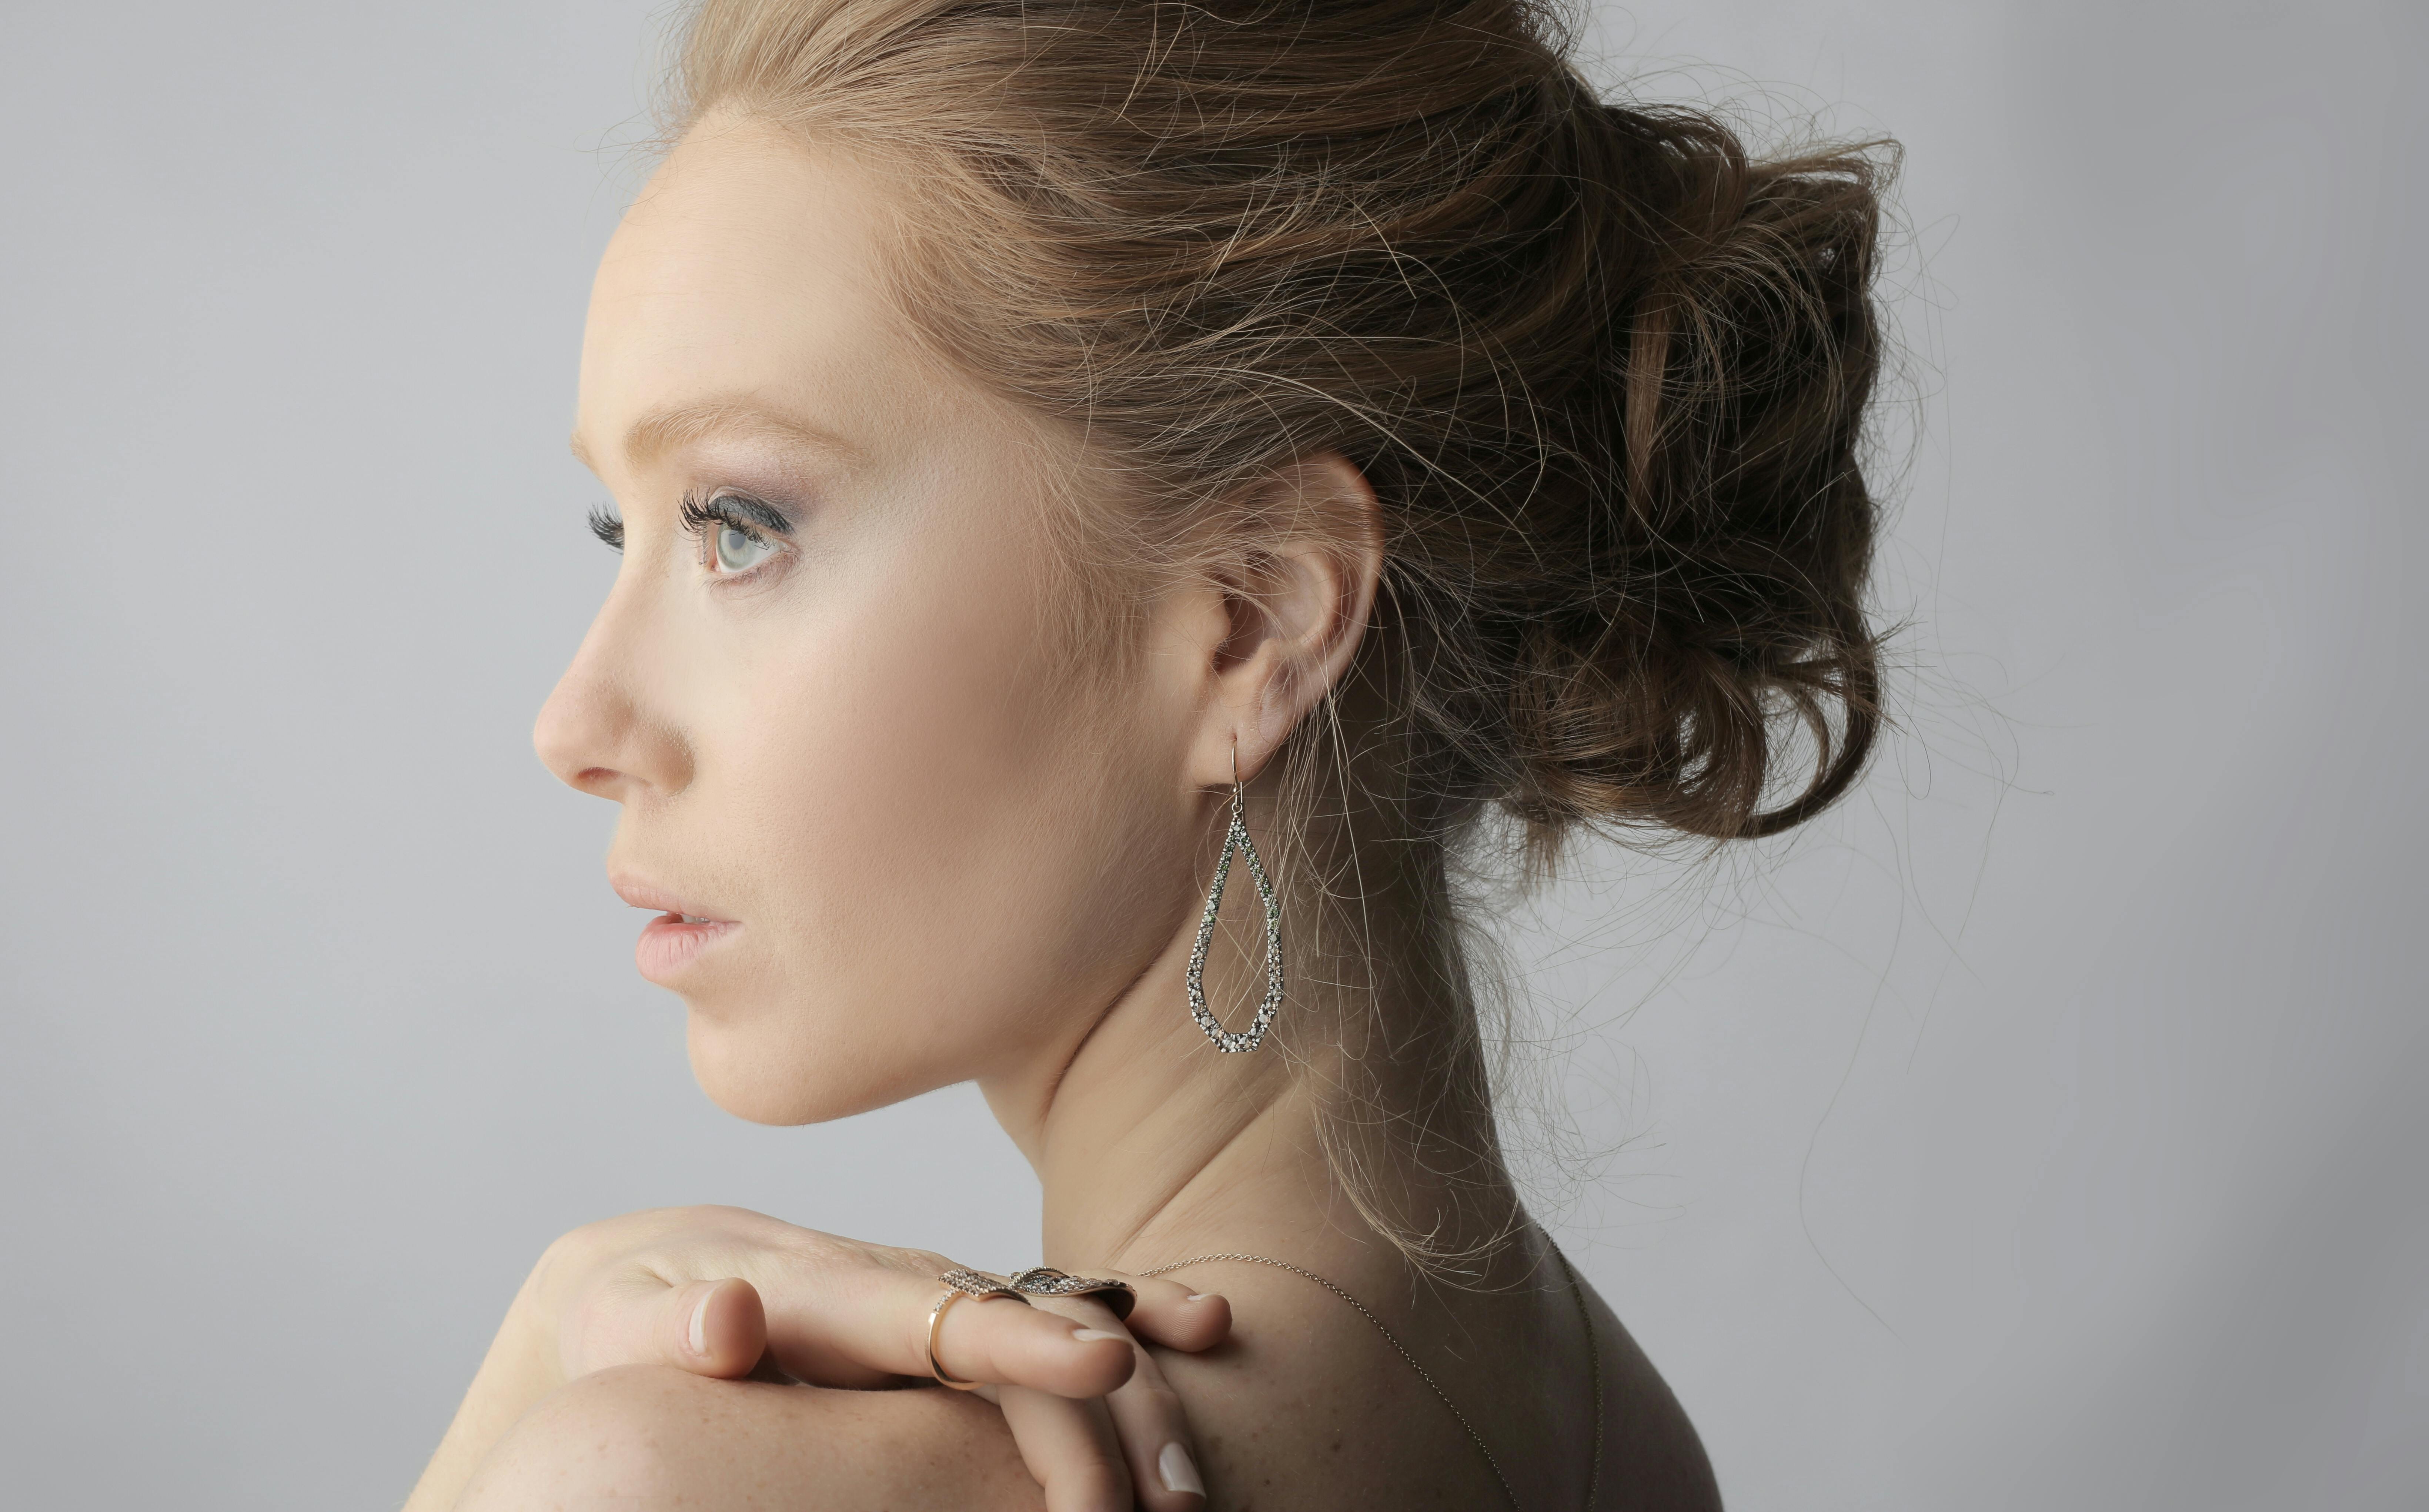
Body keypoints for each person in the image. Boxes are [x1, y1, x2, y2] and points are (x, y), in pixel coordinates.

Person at [403, 1, 1892, 1507]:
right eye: (620, 527)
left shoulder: (668, 1481)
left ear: (1249, 620)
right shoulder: (1599, 1425)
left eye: (739, 524)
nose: (575, 726)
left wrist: (529, 1408)